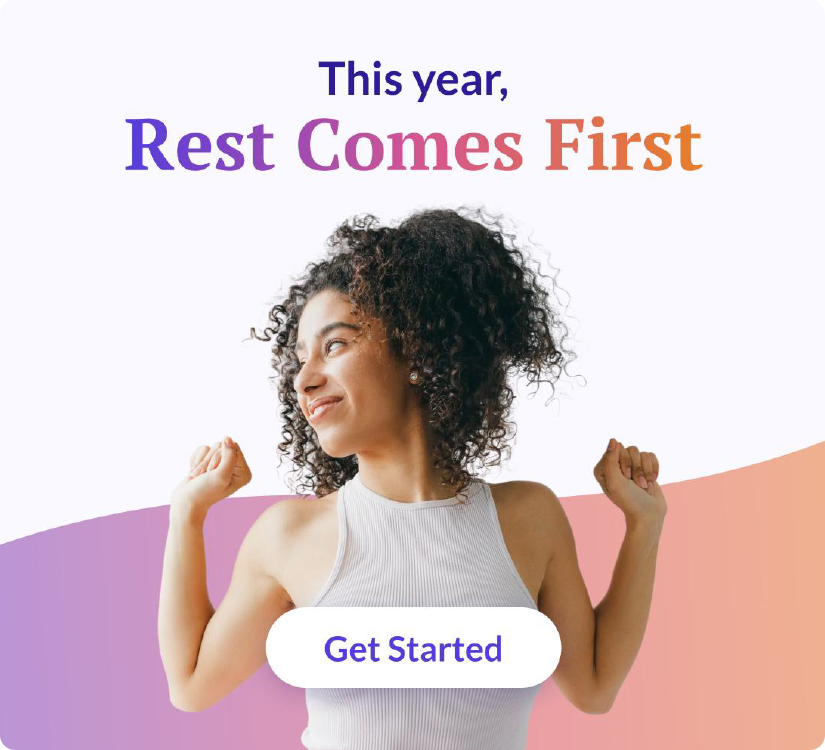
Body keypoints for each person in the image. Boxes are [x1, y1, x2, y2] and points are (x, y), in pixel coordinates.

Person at [158, 207, 668, 749]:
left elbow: (593, 688)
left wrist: (644, 527)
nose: (304, 380)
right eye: (299, 360)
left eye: (334, 346)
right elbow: (191, 685)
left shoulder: (529, 518)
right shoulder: (289, 535)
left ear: (415, 351)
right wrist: (187, 515)